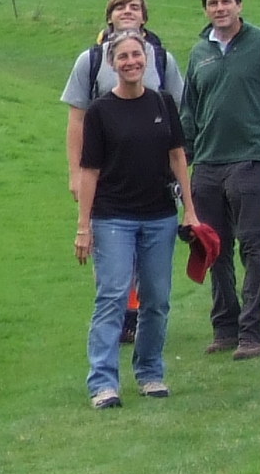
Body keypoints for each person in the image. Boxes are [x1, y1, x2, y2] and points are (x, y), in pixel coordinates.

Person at [75, 25, 194, 409]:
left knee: (157, 299)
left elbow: (178, 157)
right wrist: (83, 226)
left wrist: (189, 210)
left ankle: (150, 373)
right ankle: (103, 383)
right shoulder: (99, 112)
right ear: (112, 64)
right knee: (112, 296)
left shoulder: (162, 104)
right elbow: (89, 171)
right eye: (123, 57)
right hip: (113, 219)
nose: (131, 62)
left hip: (159, 216)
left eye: (136, 56)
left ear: (146, 61)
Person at [62, 0, 184, 342]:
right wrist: (75, 173)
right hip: (106, 174)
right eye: (119, 7)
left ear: (145, 17)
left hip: (154, 178)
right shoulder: (91, 61)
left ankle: (141, 324)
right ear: (109, 16)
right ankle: (122, 320)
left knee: (149, 258)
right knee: (115, 253)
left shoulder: (162, 60)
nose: (127, 11)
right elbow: (76, 121)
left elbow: (179, 121)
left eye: (135, 7)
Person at [180, 0, 260, 358]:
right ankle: (225, 327)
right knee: (214, 248)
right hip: (208, 163)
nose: (220, 8)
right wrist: (186, 159)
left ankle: (253, 333)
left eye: (226, 1)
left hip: (253, 157)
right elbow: (190, 109)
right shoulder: (199, 52)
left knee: (255, 246)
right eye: (212, 3)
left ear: (239, 5)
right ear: (206, 9)